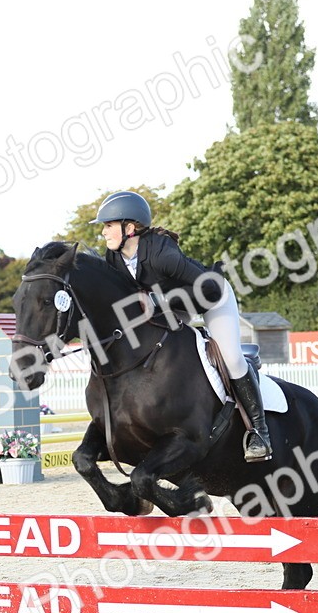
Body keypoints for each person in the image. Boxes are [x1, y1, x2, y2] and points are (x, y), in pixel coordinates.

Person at [90, 191, 271, 462]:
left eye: (108, 225)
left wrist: (157, 299)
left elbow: (207, 289)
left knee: (232, 358)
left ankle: (259, 433)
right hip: (171, 307)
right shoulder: (114, 258)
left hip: (212, 298)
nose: (104, 232)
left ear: (129, 228)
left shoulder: (162, 253)